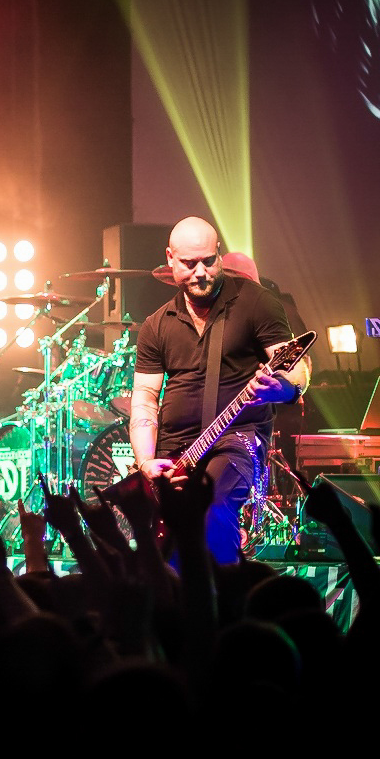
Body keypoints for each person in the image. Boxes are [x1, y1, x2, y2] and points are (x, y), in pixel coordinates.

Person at [130, 217, 309, 565]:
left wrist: (283, 389)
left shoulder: (256, 303)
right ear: (170, 259)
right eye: (189, 263)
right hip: (175, 453)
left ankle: (226, 591)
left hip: (237, 437)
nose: (201, 272)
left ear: (219, 254)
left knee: (212, 508)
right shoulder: (156, 325)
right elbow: (145, 400)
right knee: (168, 548)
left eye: (208, 261)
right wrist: (146, 462)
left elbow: (296, 367)